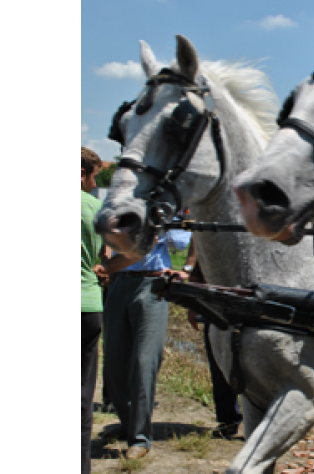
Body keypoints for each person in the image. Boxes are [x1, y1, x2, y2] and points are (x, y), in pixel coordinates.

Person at [102, 232, 195, 460]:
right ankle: (128, 423)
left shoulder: (159, 204)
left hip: (152, 284)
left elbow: (191, 237)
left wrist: (188, 269)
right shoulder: (116, 202)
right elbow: (105, 238)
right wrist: (106, 263)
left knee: (144, 362)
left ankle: (140, 438)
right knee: (113, 362)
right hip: (117, 284)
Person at [185, 245, 244, 439]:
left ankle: (263, 419)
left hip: (252, 301)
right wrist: (193, 303)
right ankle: (228, 419)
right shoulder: (216, 231)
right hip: (216, 303)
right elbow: (203, 261)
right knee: (219, 364)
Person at [82, 147, 109, 473]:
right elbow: (132, 250)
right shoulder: (94, 208)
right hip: (85, 306)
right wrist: (106, 268)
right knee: (81, 396)